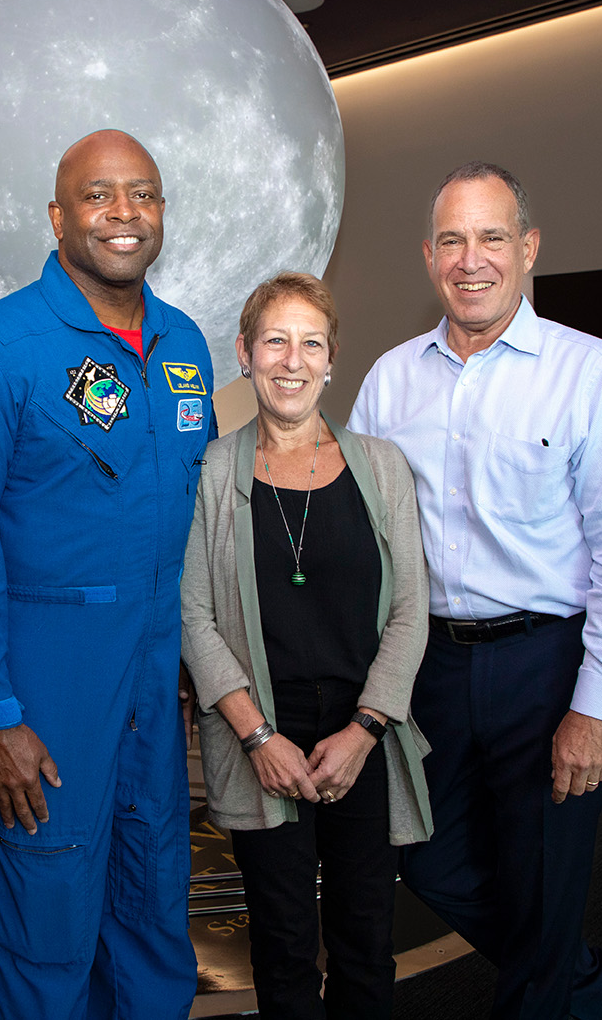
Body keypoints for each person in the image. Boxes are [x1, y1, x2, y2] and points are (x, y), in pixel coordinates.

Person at [348, 162, 602, 1020]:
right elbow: (369, 541)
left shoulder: (588, 371)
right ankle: (585, 978)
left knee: (541, 872)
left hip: (547, 666)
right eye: (451, 239)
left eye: (491, 237)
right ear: (427, 255)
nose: (470, 258)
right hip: (432, 668)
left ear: (527, 249)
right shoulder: (388, 381)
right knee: (429, 859)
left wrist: (594, 708)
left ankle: (551, 985)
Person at [0, 129, 214, 1020]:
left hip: (153, 681)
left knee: (153, 886)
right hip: (44, 685)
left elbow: (186, 517)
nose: (124, 214)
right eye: (98, 195)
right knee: (49, 905)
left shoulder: (185, 345)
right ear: (57, 215)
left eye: (144, 193)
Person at [180, 272, 432, 1020]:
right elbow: (193, 614)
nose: (291, 360)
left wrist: (362, 731)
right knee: (283, 945)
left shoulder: (382, 466)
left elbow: (411, 609)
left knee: (364, 940)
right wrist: (257, 736)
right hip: (262, 733)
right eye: (274, 341)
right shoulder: (214, 468)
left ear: (331, 360)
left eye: (310, 342)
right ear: (245, 353)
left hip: (364, 733)